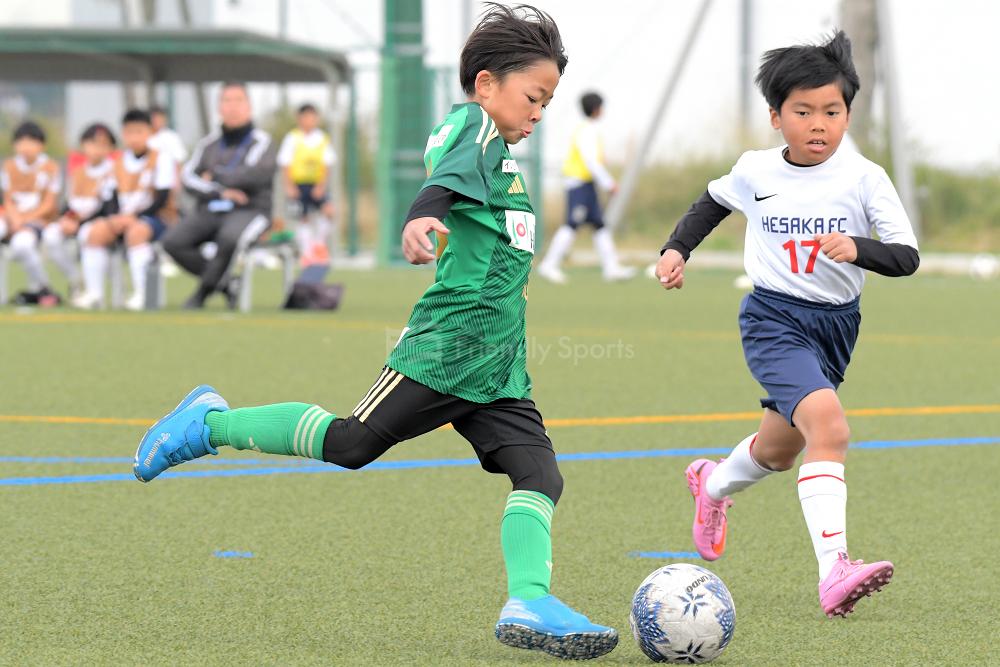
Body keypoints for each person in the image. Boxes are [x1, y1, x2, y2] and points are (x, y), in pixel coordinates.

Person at [133, 4, 618, 660]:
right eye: (533, 97)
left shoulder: (501, 159)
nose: (538, 114)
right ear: (486, 84)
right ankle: (209, 424)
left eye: (547, 103)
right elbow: (442, 180)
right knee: (352, 442)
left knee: (539, 474)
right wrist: (418, 218)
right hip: (448, 347)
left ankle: (529, 600)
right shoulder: (472, 127)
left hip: (499, 365)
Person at [654, 31, 919, 619]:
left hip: (836, 328)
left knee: (778, 451)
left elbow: (906, 256)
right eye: (803, 112)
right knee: (830, 428)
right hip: (773, 318)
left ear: (848, 114)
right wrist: (676, 249)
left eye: (832, 111)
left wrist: (859, 248)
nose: (818, 124)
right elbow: (712, 202)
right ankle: (835, 570)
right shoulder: (755, 170)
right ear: (776, 117)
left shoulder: (865, 178)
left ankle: (711, 485)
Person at [162, 82, 277, 309]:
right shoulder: (208, 144)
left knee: (229, 238)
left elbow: (254, 175)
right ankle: (226, 284)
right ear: (219, 107)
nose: (232, 107)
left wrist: (214, 174)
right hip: (213, 207)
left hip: (251, 209)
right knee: (173, 242)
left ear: (249, 107)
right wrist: (220, 191)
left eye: (238, 101)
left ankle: (202, 293)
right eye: (226, 101)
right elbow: (188, 177)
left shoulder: (263, 141)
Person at [74, 109, 176, 311]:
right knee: (95, 232)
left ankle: (142, 293)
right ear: (123, 134)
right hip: (124, 219)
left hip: (157, 219)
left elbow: (162, 198)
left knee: (136, 232)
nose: (134, 138)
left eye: (139, 132)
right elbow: (111, 198)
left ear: (150, 132)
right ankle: (95, 294)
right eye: (129, 132)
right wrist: (115, 218)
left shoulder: (161, 158)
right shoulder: (118, 162)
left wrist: (134, 217)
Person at [537, 91, 635, 283]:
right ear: (596, 109)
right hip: (578, 184)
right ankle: (548, 265)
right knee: (571, 224)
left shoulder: (589, 129)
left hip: (586, 184)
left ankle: (611, 268)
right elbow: (591, 161)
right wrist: (609, 183)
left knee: (599, 225)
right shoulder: (587, 131)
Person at [47, 123, 117, 299]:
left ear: (111, 148)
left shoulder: (113, 171)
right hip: (75, 221)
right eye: (92, 144)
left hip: (98, 222)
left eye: (103, 145)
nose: (96, 149)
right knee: (50, 235)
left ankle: (95, 292)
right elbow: (70, 203)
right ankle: (75, 276)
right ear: (83, 145)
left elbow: (108, 207)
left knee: (87, 233)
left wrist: (80, 223)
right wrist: (67, 219)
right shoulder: (78, 172)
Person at [0, 121, 61, 305]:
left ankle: (43, 287)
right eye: (21, 142)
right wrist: (14, 219)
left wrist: (24, 220)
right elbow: (8, 199)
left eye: (31, 142)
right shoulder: (9, 166)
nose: (25, 147)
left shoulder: (50, 167)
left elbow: (49, 204)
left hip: (37, 221)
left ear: (41, 145)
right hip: (11, 219)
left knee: (22, 244)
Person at [277, 103, 336, 261]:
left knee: (328, 211)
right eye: (306, 117)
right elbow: (285, 164)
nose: (310, 120)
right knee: (303, 217)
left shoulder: (322, 139)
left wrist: (321, 186)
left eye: (312, 117)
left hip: (316, 184)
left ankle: (319, 245)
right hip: (298, 184)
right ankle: (307, 253)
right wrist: (289, 186)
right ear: (300, 119)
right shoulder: (292, 138)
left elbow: (327, 165)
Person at [147, 105, 188, 170]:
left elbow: (179, 161)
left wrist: (178, 176)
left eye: (160, 118)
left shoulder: (172, 137)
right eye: (154, 118)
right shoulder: (144, 137)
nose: (157, 121)